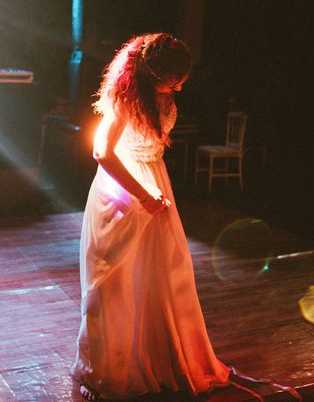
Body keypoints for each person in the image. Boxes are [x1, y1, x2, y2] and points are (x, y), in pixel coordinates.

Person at [73, 33, 230, 400]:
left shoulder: (162, 94)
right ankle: (116, 366)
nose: (178, 87)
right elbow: (101, 152)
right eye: (173, 80)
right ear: (152, 74)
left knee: (162, 275)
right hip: (124, 189)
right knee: (117, 282)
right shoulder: (124, 101)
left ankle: (162, 358)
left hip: (156, 179)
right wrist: (142, 194)